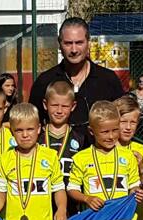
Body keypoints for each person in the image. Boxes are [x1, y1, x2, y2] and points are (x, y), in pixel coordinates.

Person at [29, 17, 124, 145]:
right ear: (60, 44)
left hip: (99, 161)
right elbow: (32, 123)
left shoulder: (108, 80)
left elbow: (123, 121)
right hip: (55, 161)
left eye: (79, 42)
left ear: (88, 42)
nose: (74, 50)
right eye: (68, 43)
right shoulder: (44, 82)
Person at [38, 80, 84, 215]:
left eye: (64, 106)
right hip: (41, 206)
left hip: (72, 209)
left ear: (73, 106)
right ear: (45, 105)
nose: (59, 111)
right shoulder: (36, 137)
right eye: (54, 105)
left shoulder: (81, 138)